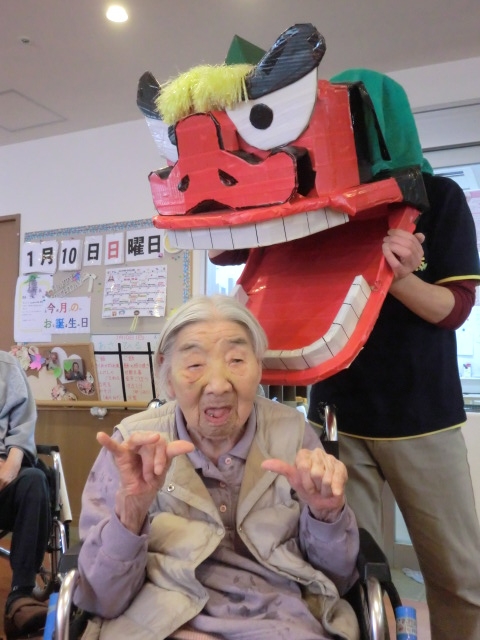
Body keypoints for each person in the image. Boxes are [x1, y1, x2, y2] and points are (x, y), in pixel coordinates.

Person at [307, 70, 480, 640]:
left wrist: (400, 277)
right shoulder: (323, 206)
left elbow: (453, 308)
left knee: (458, 573)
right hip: (338, 413)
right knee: (350, 567)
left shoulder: (440, 197)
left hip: (422, 416)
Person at [74, 294, 360, 639]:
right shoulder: (132, 448)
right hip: (161, 622)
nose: (218, 384)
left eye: (236, 360)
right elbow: (102, 597)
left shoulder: (292, 435)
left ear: (258, 366)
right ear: (167, 375)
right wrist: (132, 510)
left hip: (280, 621)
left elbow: (337, 579)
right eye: (195, 365)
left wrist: (326, 514)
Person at [0, 350, 51, 639]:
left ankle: (20, 596)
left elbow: (23, 425)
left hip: (5, 473)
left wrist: (11, 464)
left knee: (34, 480)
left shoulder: (5, 366)